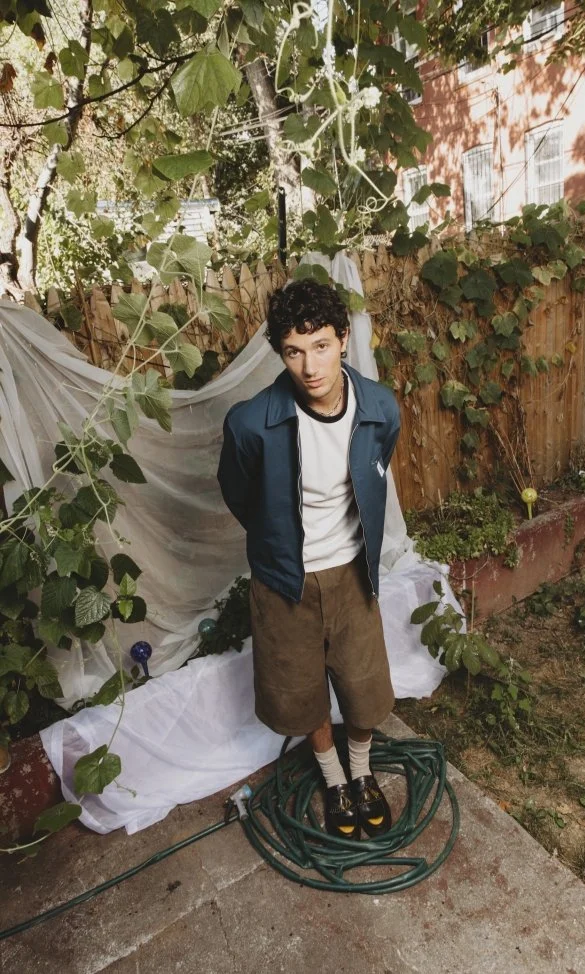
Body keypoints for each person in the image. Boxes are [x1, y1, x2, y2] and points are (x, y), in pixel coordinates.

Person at [217, 278, 401, 841]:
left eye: (320, 345)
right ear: (280, 353)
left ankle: (363, 771)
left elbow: (377, 467)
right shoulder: (250, 424)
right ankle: (334, 779)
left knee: (365, 688)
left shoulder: (380, 407)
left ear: (343, 339)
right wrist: (278, 544)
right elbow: (239, 493)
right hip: (285, 581)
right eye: (294, 351)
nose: (309, 366)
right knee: (302, 692)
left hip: (351, 572)